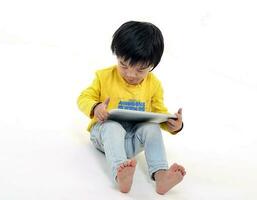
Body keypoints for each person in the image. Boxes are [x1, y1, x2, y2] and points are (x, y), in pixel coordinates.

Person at [77, 21, 186, 195]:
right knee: (112, 127)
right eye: (123, 65)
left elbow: (159, 113)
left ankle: (161, 175)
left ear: (152, 66)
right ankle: (120, 173)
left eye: (140, 70)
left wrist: (174, 124)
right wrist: (96, 107)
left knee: (151, 127)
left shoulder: (154, 84)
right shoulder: (103, 76)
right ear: (116, 56)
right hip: (105, 136)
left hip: (133, 139)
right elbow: (83, 97)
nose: (130, 74)